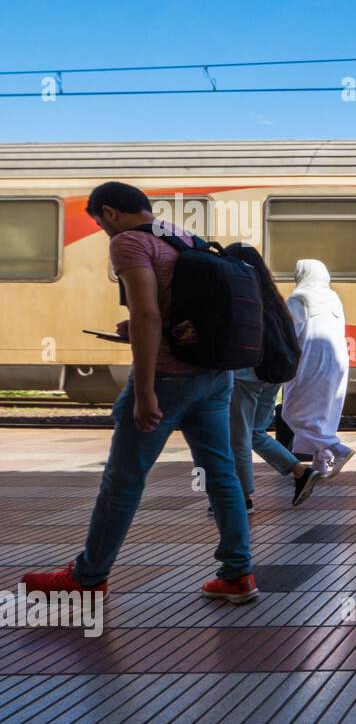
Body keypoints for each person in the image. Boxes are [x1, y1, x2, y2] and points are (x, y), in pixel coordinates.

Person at [22, 182, 257, 603]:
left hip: (168, 378)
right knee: (221, 475)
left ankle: (88, 578)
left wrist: (146, 390)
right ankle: (237, 575)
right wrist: (152, 330)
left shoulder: (129, 243)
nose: (102, 231)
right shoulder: (181, 237)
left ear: (109, 213)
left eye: (98, 223)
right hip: (215, 376)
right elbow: (176, 311)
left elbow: (147, 312)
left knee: (123, 480)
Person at [225, 244, 322, 508]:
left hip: (245, 375)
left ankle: (242, 497)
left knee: (239, 438)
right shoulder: (272, 296)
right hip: (273, 375)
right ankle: (300, 472)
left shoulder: (240, 294)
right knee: (256, 432)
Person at [280, 259, 355, 478]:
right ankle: (322, 464)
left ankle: (338, 449)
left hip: (312, 360)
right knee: (324, 412)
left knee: (292, 413)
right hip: (337, 359)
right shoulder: (333, 298)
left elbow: (290, 333)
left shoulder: (299, 298)